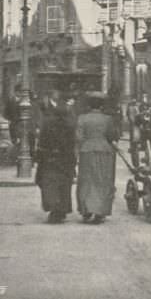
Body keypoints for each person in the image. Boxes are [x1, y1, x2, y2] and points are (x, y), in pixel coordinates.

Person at [76, 92, 118, 224]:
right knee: (102, 180)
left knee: (86, 180)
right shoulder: (107, 119)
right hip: (104, 150)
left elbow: (78, 137)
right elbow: (111, 136)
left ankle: (86, 210)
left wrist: (85, 144)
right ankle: (100, 211)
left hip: (87, 150)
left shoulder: (82, 118)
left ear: (89, 105)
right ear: (101, 106)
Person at [34, 90, 76, 224]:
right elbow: (72, 143)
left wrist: (40, 156)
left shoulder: (47, 124)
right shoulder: (69, 126)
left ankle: (53, 209)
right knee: (64, 184)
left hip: (49, 158)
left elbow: (41, 142)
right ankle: (62, 210)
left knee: (49, 183)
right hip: (65, 159)